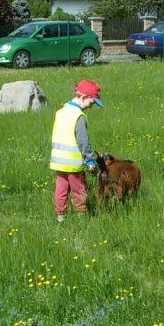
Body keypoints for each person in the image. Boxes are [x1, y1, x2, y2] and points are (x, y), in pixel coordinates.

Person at [50, 78, 104, 221]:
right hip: (73, 163)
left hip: (58, 162)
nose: (91, 106)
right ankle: (81, 216)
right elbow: (83, 142)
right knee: (79, 189)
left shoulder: (61, 112)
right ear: (84, 97)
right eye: (91, 102)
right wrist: (90, 161)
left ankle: (60, 217)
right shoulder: (79, 116)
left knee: (61, 190)